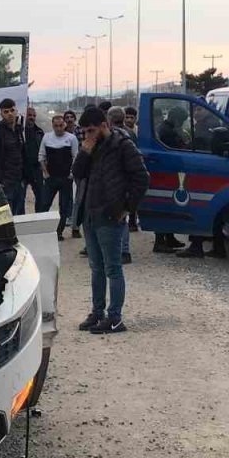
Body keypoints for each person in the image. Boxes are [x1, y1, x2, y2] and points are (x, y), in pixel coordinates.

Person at [72, 107, 148, 335]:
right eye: (84, 132)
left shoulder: (122, 145)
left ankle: (115, 318)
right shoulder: (89, 146)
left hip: (110, 216)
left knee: (113, 268)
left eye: (92, 130)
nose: (88, 135)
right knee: (96, 268)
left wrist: (127, 208)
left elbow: (142, 178)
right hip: (90, 214)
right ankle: (97, 313)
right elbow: (76, 172)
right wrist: (84, 151)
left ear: (104, 125)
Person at [37, 114, 79, 239]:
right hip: (51, 178)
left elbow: (75, 157)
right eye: (56, 126)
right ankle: (42, 229)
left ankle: (58, 232)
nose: (59, 128)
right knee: (44, 204)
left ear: (64, 125)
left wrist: (71, 174)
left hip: (66, 177)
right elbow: (41, 156)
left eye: (61, 125)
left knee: (64, 206)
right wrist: (46, 174)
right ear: (53, 126)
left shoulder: (71, 138)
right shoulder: (47, 137)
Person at [104, 106, 134, 264]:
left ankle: (120, 250)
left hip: (115, 182)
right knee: (123, 218)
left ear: (109, 119)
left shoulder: (110, 136)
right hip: (128, 181)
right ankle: (124, 250)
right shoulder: (131, 133)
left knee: (116, 219)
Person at [22, 107, 45, 211]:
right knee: (19, 198)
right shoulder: (19, 131)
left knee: (41, 196)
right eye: (29, 115)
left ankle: (39, 219)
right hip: (21, 170)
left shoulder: (39, 132)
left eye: (34, 115)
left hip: (36, 169)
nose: (32, 117)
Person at [122, 106, 141, 233]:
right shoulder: (121, 132)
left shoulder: (139, 131)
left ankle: (133, 221)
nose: (129, 120)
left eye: (131, 117)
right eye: (127, 117)